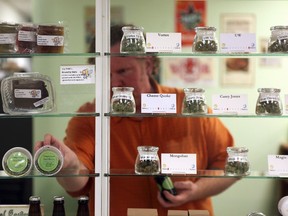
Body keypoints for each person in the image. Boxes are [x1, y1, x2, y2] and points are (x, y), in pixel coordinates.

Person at [35, 24, 237, 216]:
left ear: (148, 65)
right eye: (106, 74)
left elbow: (231, 167)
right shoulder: (89, 117)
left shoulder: (189, 105)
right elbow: (78, 183)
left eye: (123, 71)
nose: (115, 83)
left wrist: (197, 190)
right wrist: (69, 167)